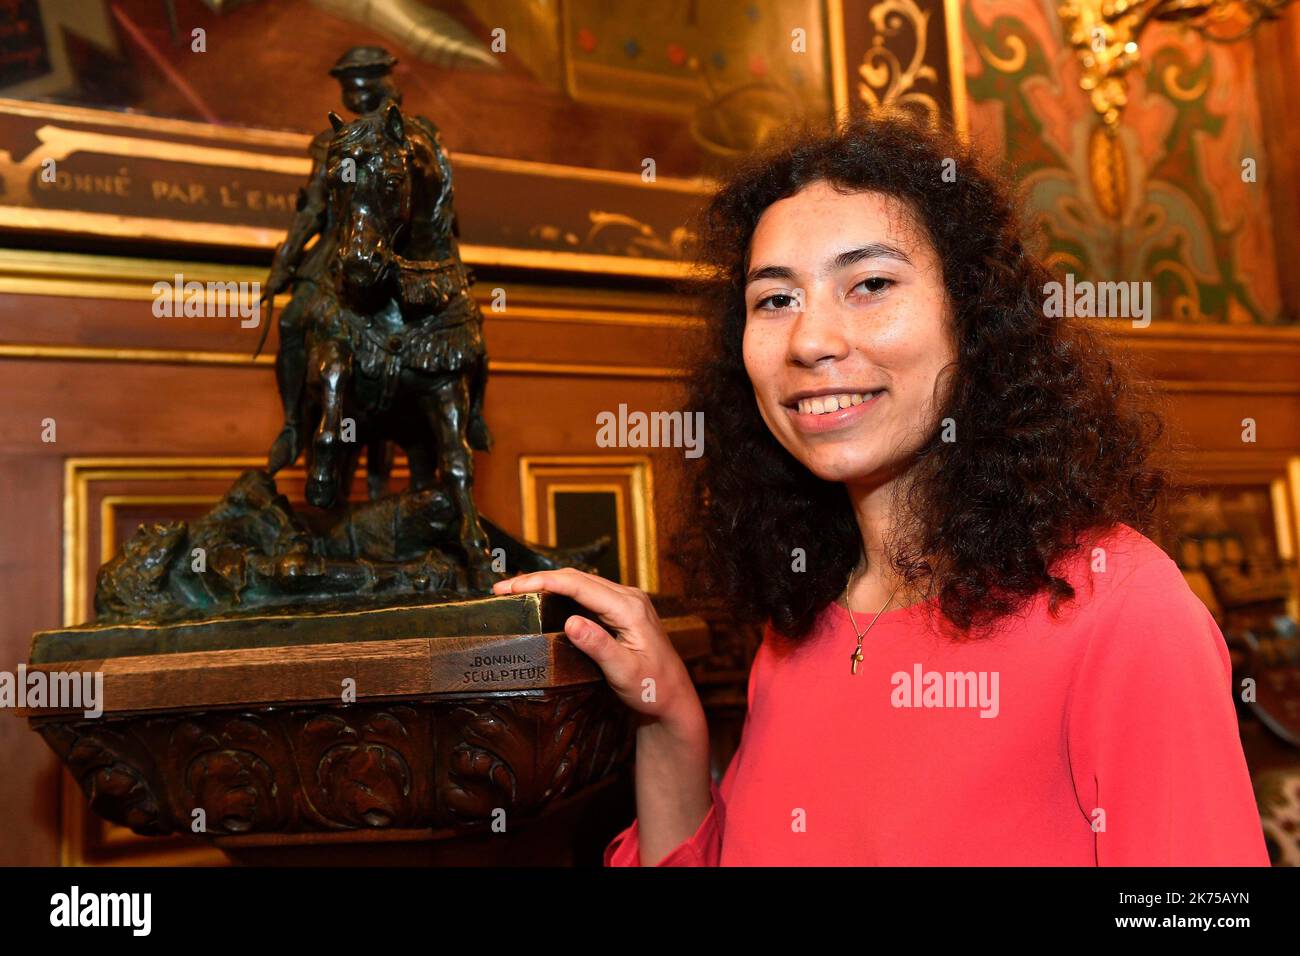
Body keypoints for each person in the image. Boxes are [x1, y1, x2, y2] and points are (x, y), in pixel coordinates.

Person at [491, 115, 1270, 866]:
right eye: (776, 299)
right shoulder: (800, 626)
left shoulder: (1121, 611)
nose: (812, 340)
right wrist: (671, 723)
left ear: (974, 318)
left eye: (868, 283)